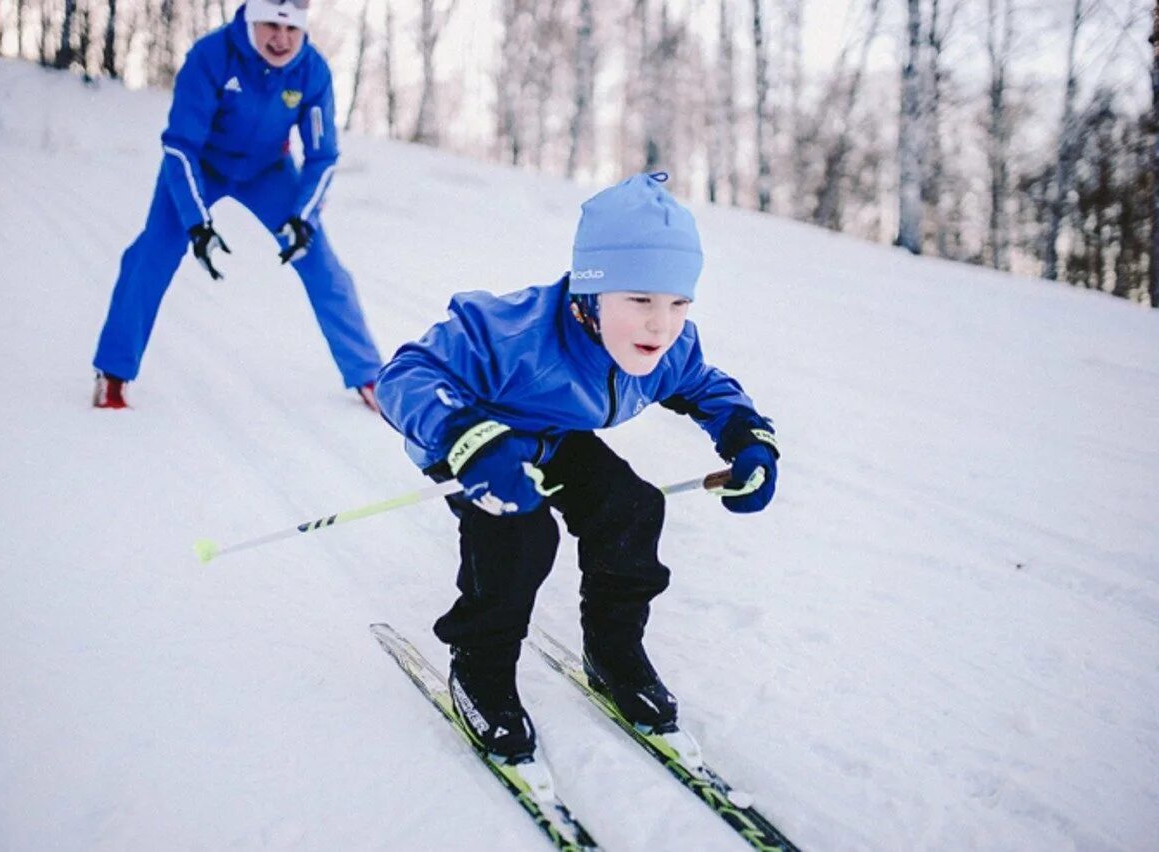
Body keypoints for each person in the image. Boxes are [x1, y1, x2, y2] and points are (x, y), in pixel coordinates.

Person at [373, 173, 780, 762]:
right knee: (519, 536)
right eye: (639, 300)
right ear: (589, 293)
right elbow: (404, 375)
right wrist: (468, 440)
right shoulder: (514, 334)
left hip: (555, 438)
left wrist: (749, 439)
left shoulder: (668, 347)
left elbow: (706, 387)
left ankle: (613, 650)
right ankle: (480, 669)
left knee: (633, 508)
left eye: (678, 303)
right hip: (479, 441)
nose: (660, 324)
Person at [92, 0, 382, 411]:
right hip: (201, 166)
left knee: (323, 266)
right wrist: (197, 223)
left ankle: (369, 376)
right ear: (250, 20)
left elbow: (323, 156)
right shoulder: (211, 56)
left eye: (291, 31)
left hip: (268, 172)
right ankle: (114, 373)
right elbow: (180, 147)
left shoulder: (311, 70)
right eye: (270, 26)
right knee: (151, 255)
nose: (280, 40)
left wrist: (303, 219)